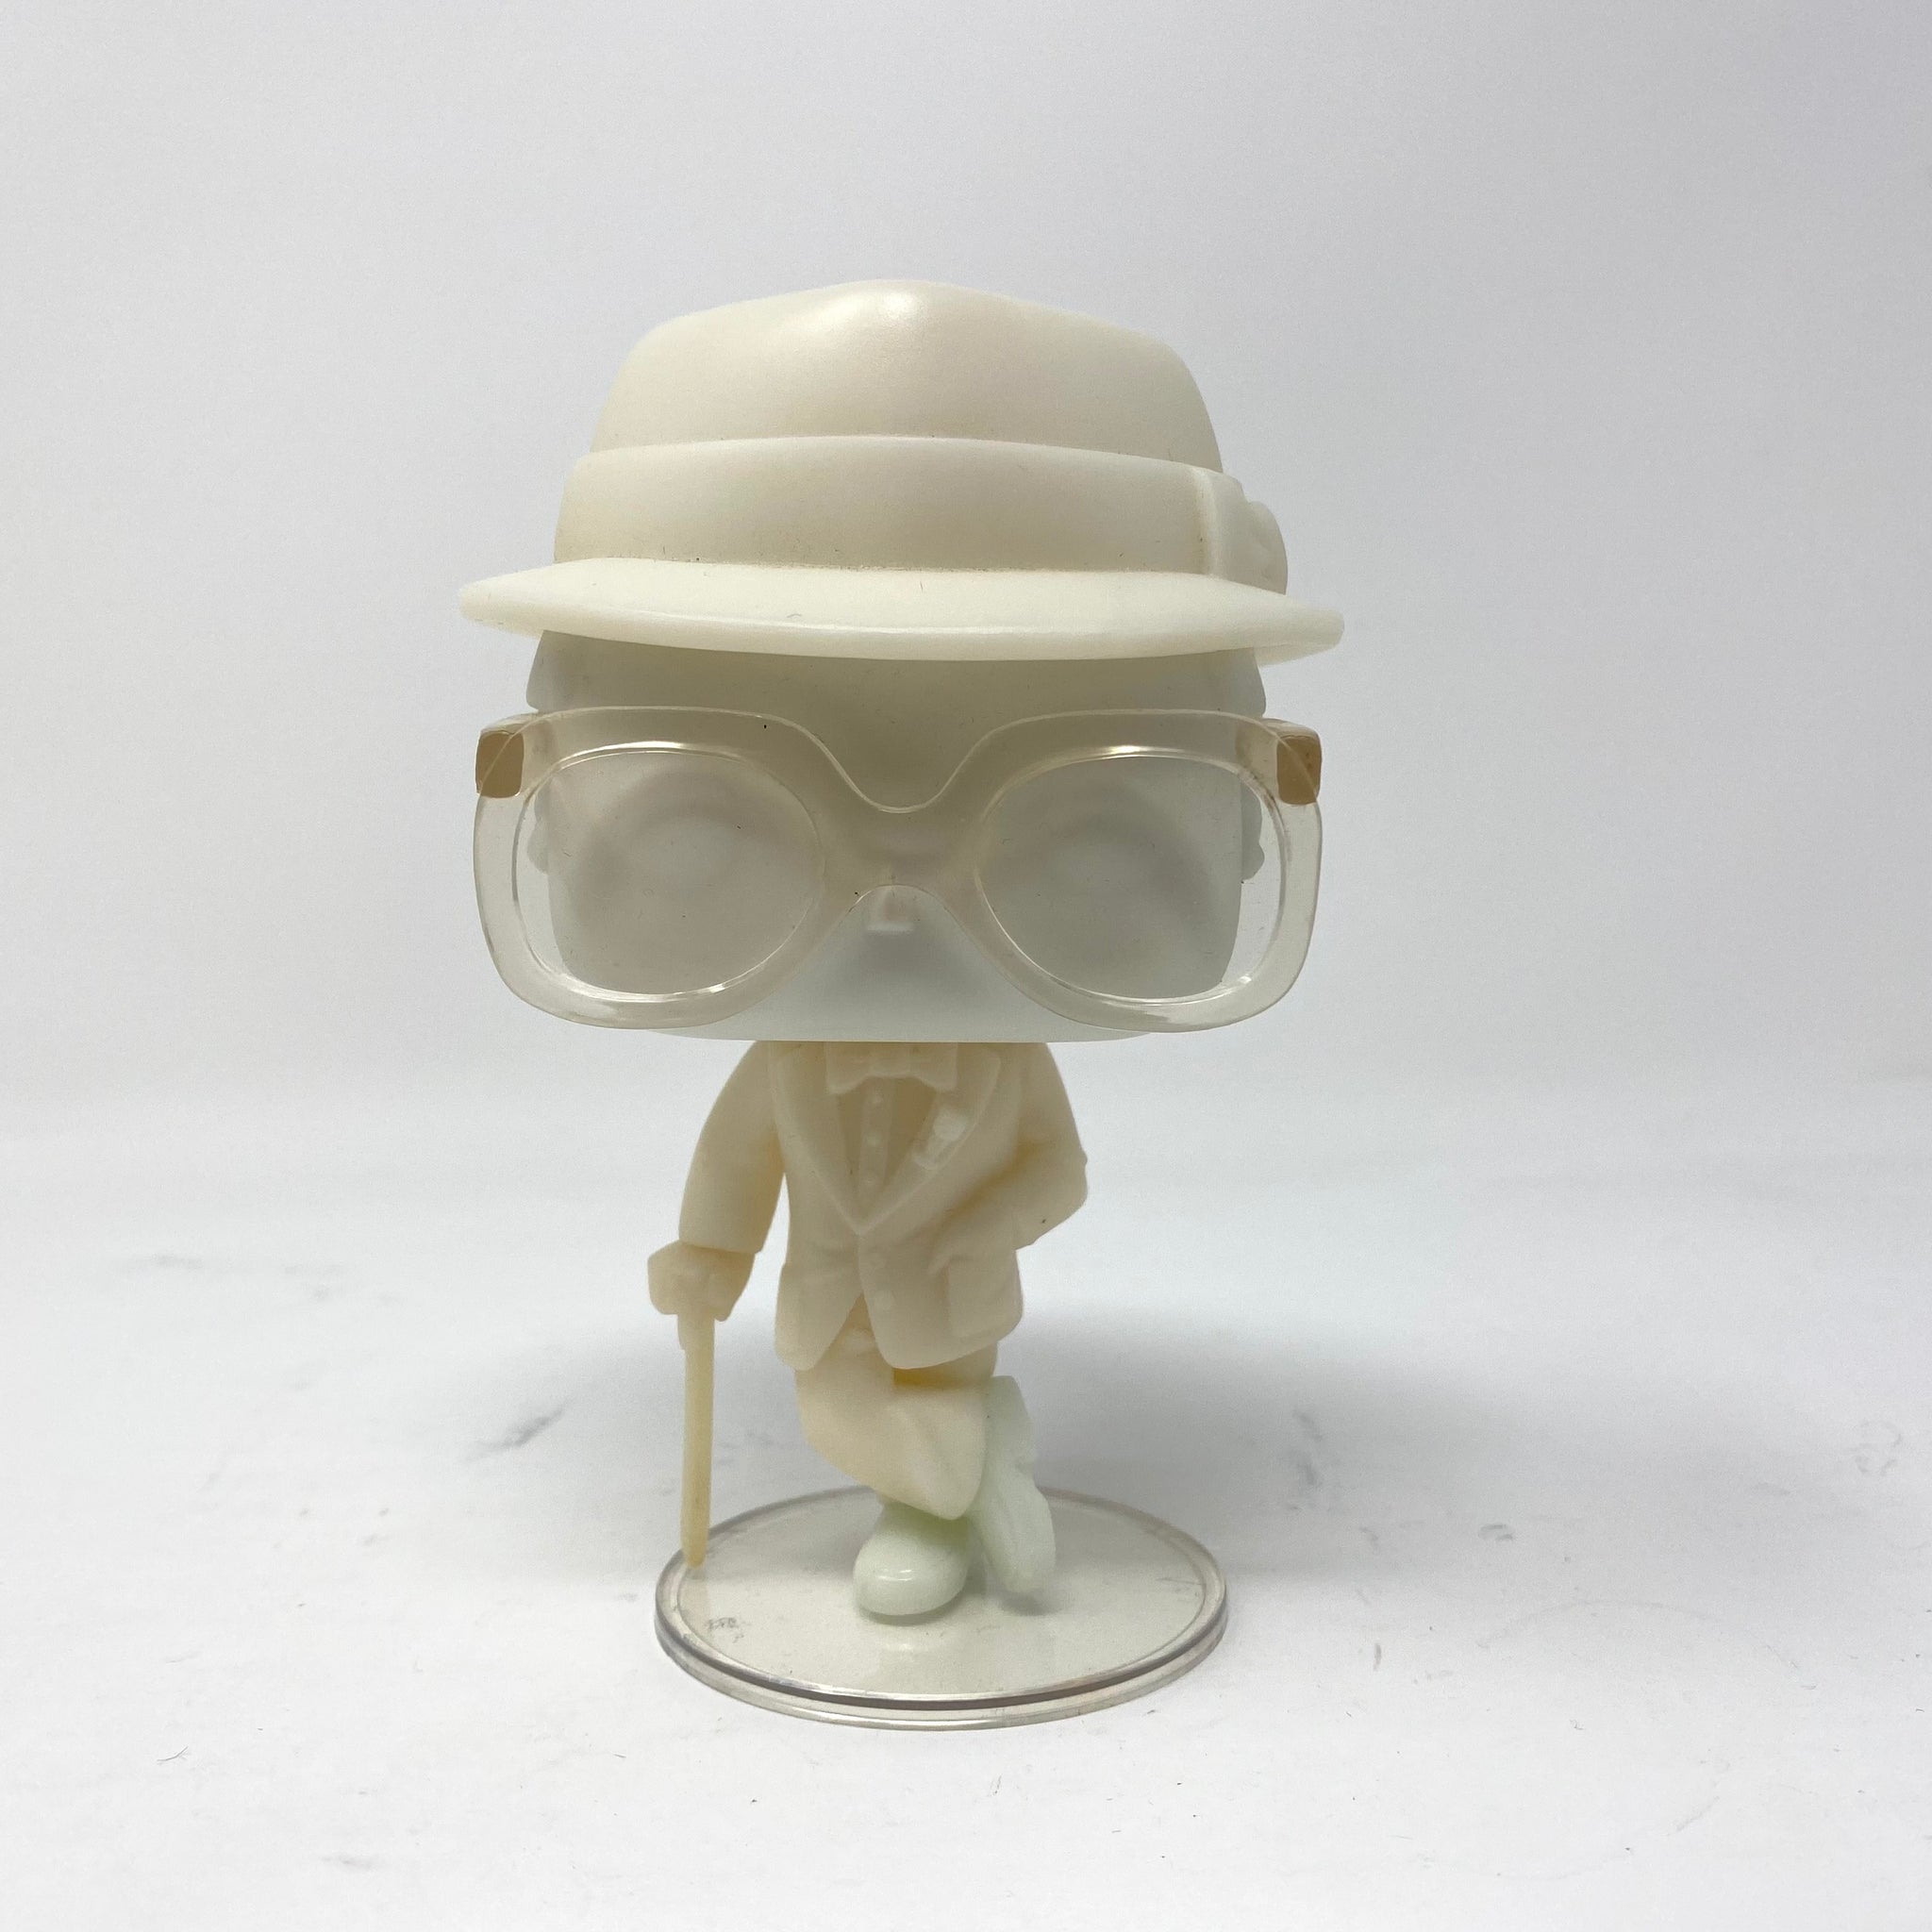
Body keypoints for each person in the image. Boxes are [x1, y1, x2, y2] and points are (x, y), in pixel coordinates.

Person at [463, 280, 1338, 1614]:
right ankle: (979, 1471)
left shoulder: (996, 1067)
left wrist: (976, 1230)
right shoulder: (792, 1066)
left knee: (918, 1387)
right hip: (835, 1296)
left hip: (948, 1298)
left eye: (1067, 830)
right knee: (834, 1404)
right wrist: (710, 1255)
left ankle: (937, 1511)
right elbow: (740, 1160)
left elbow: (1055, 1169)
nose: (889, 914)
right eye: (723, 821)